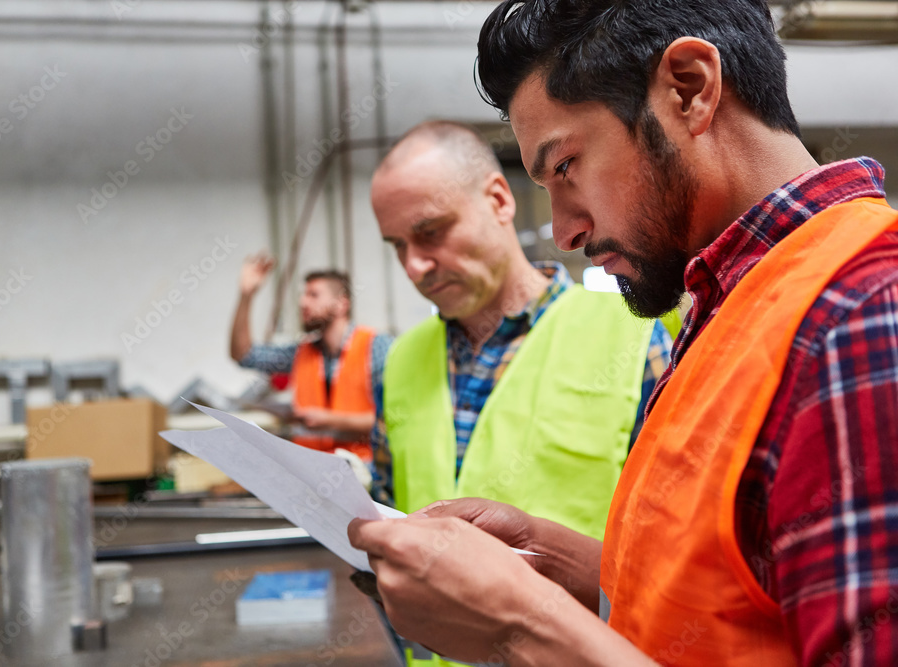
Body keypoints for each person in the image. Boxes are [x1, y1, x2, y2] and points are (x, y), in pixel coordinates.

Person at [349, 1, 898, 666]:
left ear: (689, 89)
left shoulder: (866, 308)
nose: (565, 232)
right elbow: (719, 603)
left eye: (566, 166)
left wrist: (523, 624)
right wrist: (547, 561)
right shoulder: (729, 304)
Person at [369, 119, 672, 664]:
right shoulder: (400, 360)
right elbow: (391, 510)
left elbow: (674, 568)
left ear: (498, 199)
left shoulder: (632, 339)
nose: (415, 265)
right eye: (397, 246)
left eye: (431, 231)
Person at [230, 255, 392, 462]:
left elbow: (391, 420)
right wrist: (246, 295)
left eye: (313, 295)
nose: (302, 302)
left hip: (363, 474)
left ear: (342, 303)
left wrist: (331, 420)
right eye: (303, 295)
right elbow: (243, 354)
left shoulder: (375, 347)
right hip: (309, 472)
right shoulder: (302, 352)